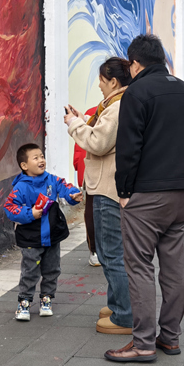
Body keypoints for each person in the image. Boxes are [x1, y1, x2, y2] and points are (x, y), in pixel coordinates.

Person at [105, 35, 184, 363]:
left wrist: (124, 191)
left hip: (146, 197)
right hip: (182, 194)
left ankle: (143, 343)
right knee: (174, 265)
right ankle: (171, 337)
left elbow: (129, 148)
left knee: (138, 266)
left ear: (135, 63)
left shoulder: (137, 92)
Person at [65, 57, 134, 335]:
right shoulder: (119, 105)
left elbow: (98, 142)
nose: (99, 85)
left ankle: (124, 315)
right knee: (112, 252)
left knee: (110, 253)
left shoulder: (117, 108)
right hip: (108, 186)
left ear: (114, 81)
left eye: (102, 80)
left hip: (107, 188)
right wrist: (83, 120)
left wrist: (73, 124)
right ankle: (118, 304)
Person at [3, 144, 81, 321]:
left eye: (42, 156)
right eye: (36, 157)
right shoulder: (20, 188)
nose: (41, 160)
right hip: (31, 237)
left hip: (52, 234)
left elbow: (65, 188)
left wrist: (73, 194)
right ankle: (24, 303)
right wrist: (30, 213)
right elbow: (10, 208)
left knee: (52, 269)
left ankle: (46, 299)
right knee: (30, 270)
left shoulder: (51, 180)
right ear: (24, 165)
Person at [72, 106, 101, 268]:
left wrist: (79, 169)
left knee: (92, 208)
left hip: (90, 170)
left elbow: (78, 149)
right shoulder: (125, 109)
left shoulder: (93, 111)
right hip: (103, 171)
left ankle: (95, 251)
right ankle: (96, 250)